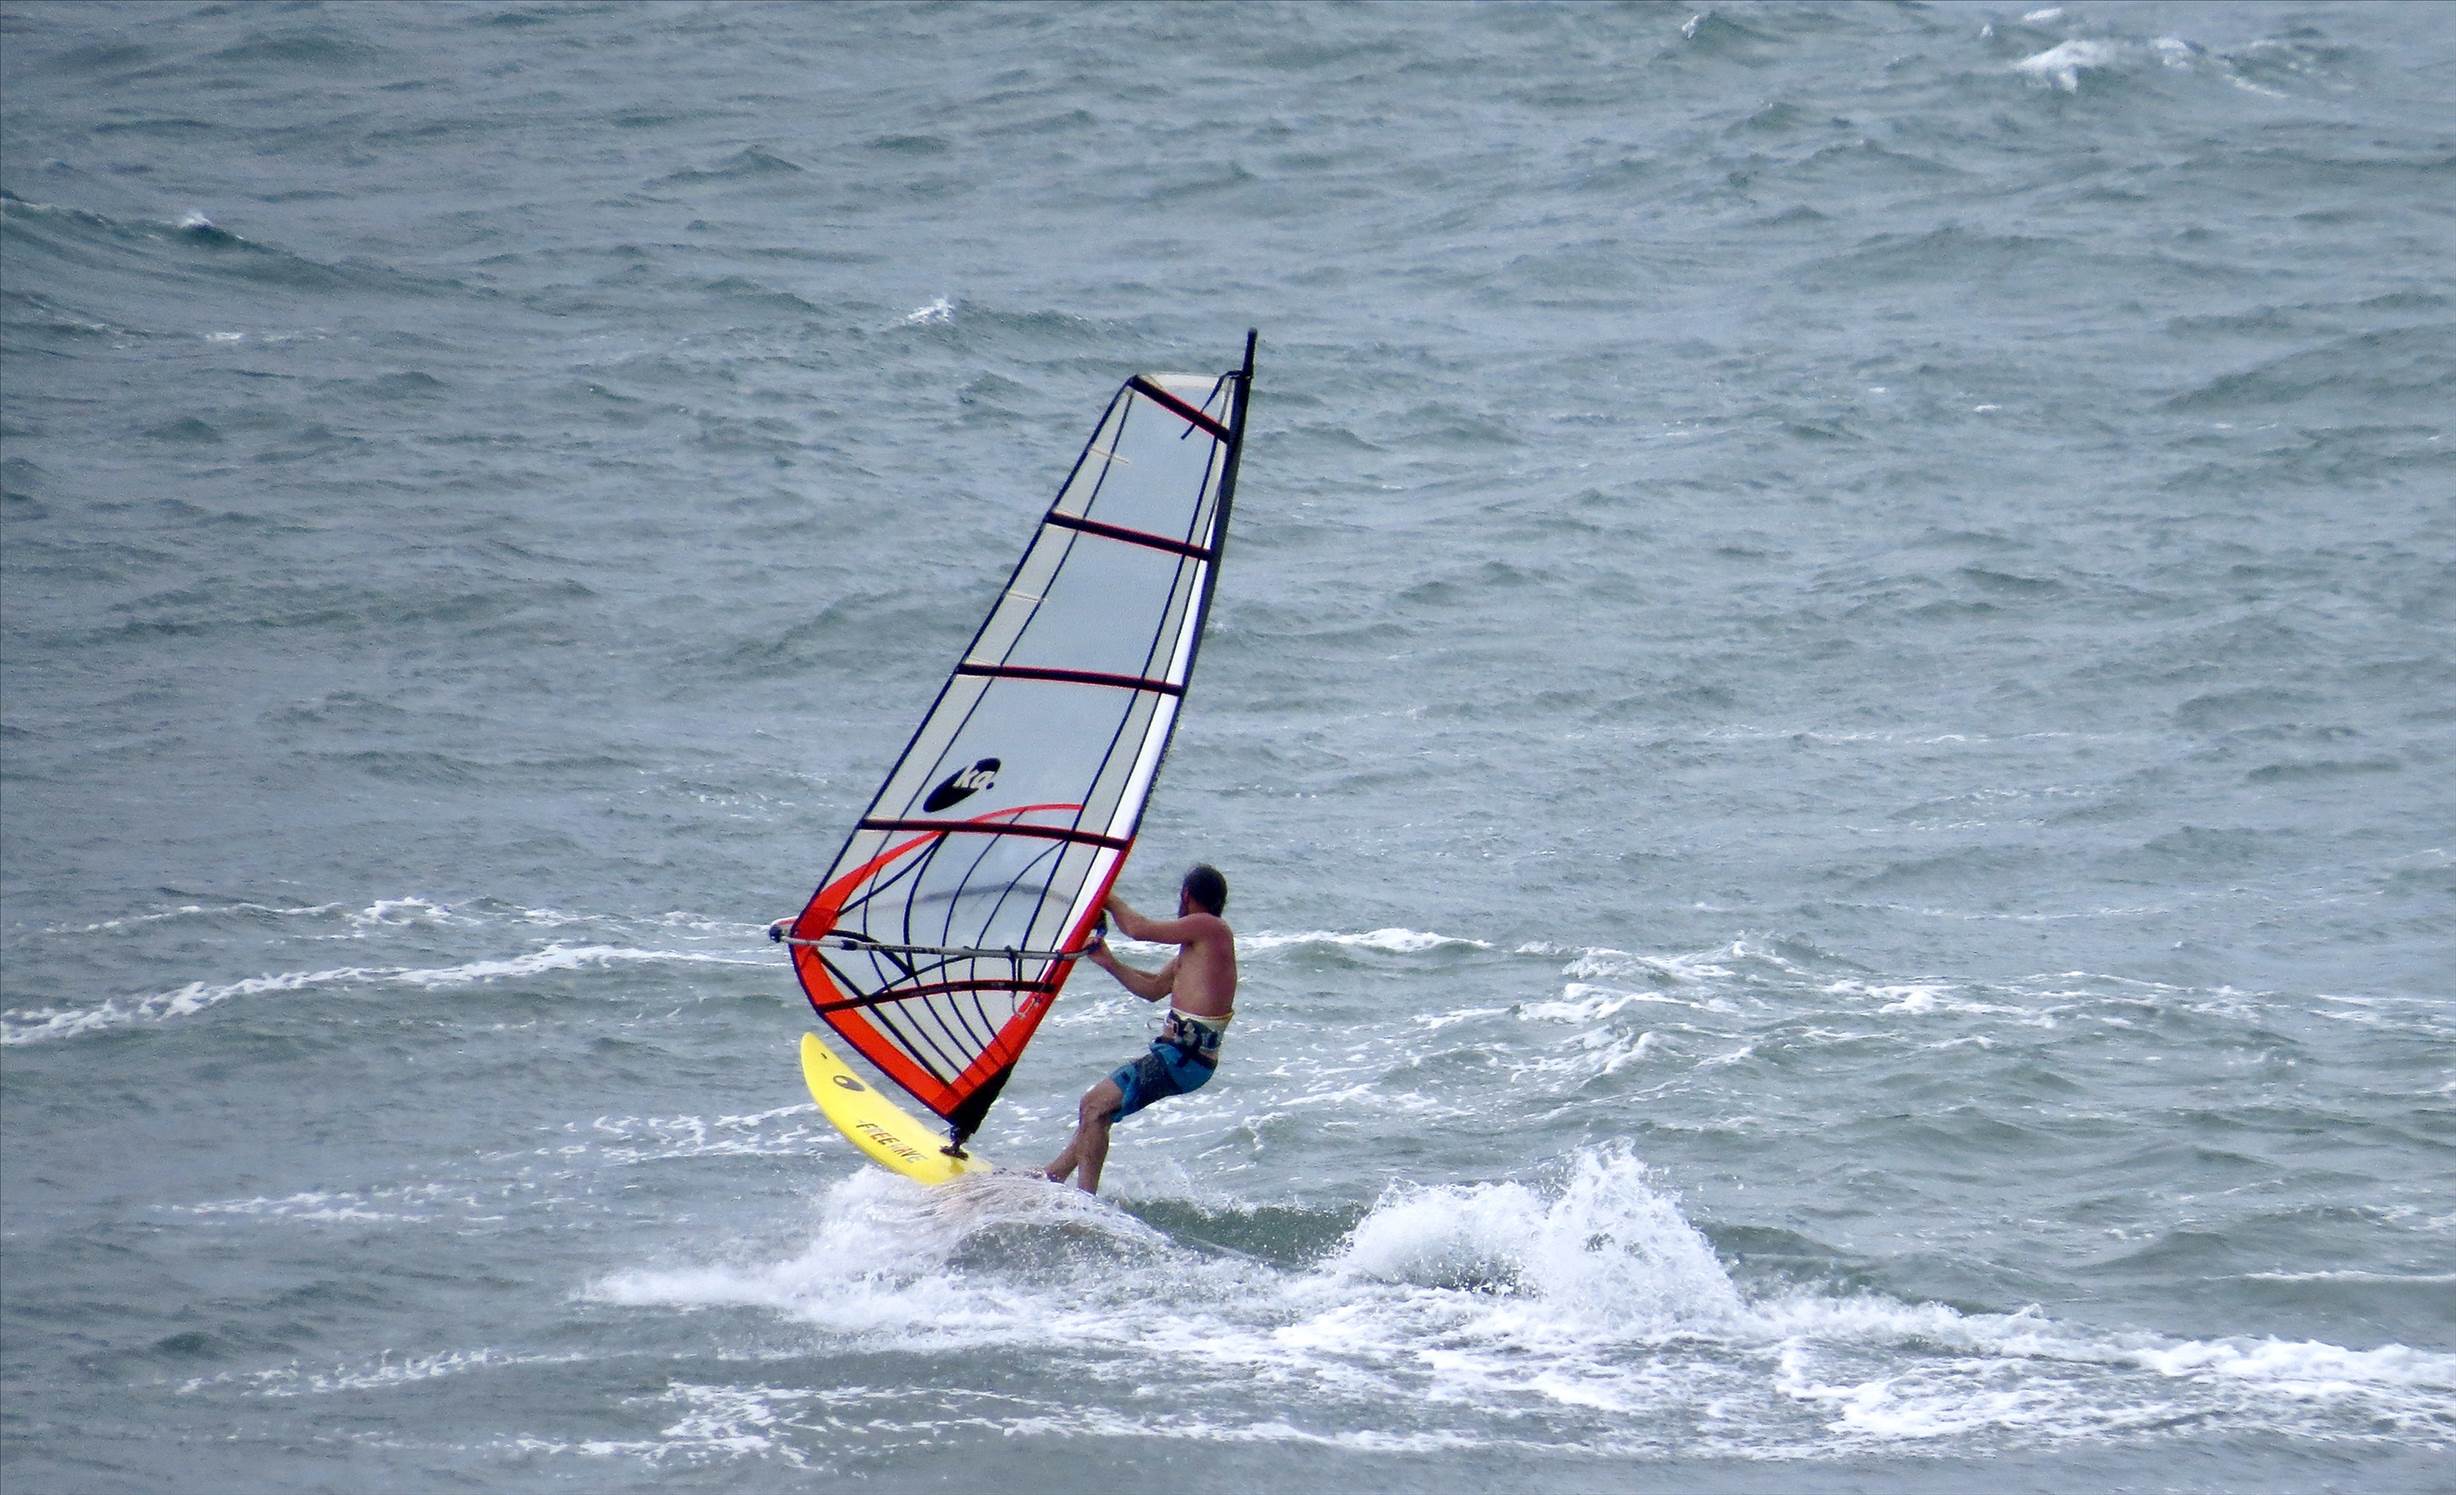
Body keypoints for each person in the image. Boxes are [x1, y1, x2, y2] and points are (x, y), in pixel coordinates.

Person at [1043, 864, 1237, 1195]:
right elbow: (1151, 989)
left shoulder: (1211, 928)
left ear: (1186, 895)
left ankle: (1083, 1202)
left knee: (1093, 1104)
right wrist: (1109, 962)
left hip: (1183, 1057)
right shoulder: (1194, 950)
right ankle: (1053, 1176)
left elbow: (1138, 928)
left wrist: (1106, 896)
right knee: (1097, 1112)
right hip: (1181, 1057)